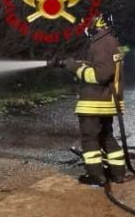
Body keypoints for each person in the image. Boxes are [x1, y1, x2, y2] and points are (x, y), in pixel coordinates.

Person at [47, 12, 126, 186]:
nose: (86, 28)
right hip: (106, 101)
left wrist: (74, 68)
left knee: (89, 139)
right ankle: (118, 174)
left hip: (94, 102)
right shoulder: (112, 42)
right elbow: (103, 66)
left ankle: (96, 176)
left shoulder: (100, 43)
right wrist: (69, 63)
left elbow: (100, 75)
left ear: (97, 25)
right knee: (106, 136)